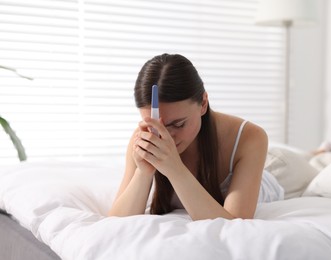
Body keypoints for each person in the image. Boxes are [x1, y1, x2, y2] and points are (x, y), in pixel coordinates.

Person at [109, 54, 283, 220]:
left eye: (178, 124)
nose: (167, 137)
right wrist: (143, 173)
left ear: (203, 104)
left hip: (272, 175)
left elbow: (235, 225)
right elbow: (115, 222)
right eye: (157, 126)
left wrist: (174, 168)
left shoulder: (251, 137)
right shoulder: (145, 139)